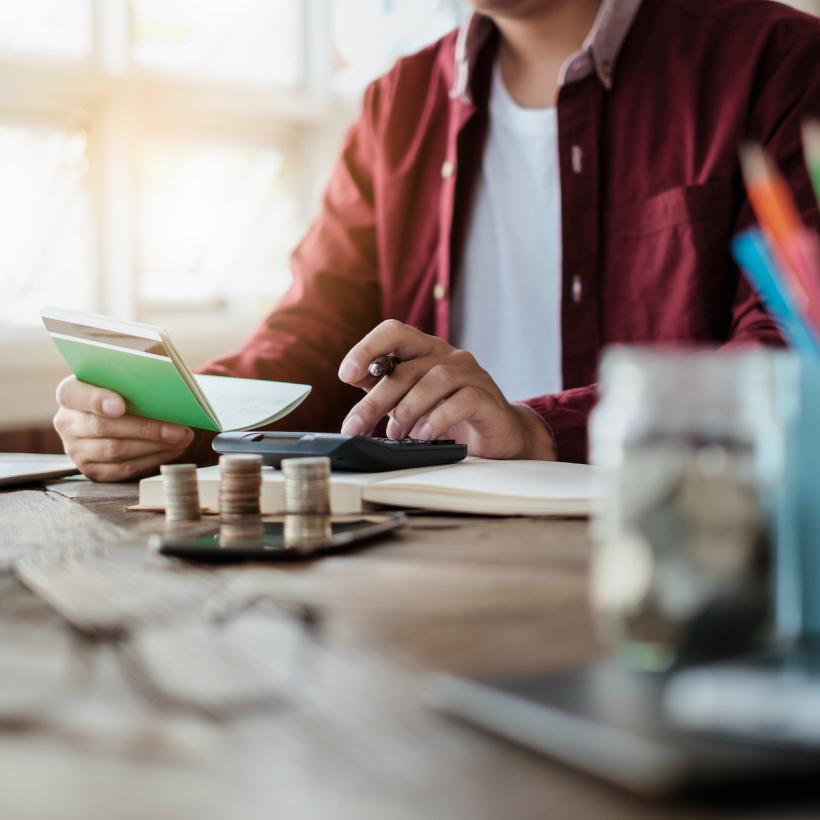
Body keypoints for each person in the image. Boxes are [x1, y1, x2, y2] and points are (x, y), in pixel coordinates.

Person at [54, 0, 820, 481]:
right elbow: (310, 341)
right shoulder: (397, 105)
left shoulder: (780, 63)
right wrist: (167, 421)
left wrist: (537, 430)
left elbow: (792, 354)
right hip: (434, 545)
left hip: (689, 545)